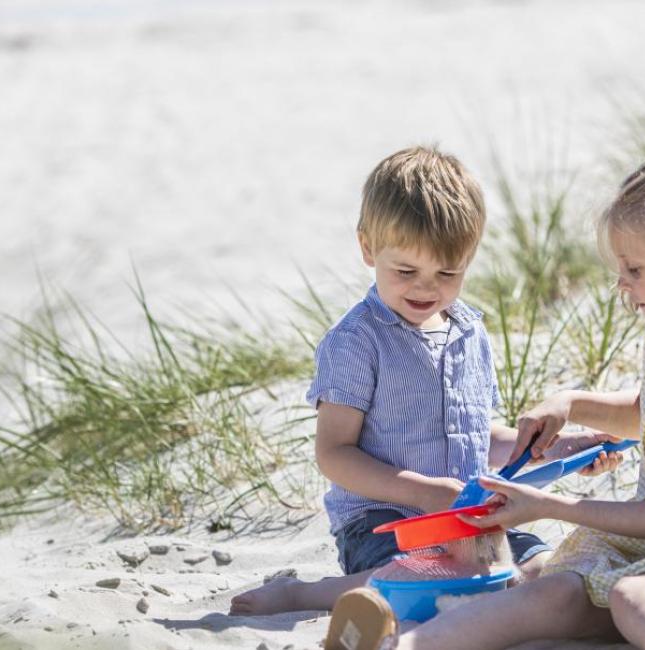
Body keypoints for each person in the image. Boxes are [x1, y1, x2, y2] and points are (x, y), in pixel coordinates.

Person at [324, 123, 645, 650]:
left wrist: (549, 506)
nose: (621, 285)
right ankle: (403, 647)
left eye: (634, 268)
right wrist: (571, 405)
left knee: (637, 597)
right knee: (550, 591)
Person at [230, 145, 619, 616]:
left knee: (546, 571)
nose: (425, 288)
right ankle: (304, 594)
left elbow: (479, 439)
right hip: (387, 520)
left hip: (468, 514)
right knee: (431, 580)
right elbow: (334, 454)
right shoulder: (357, 341)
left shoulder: (470, 332)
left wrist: (560, 449)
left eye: (447, 272)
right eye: (406, 271)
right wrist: (422, 491)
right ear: (368, 248)